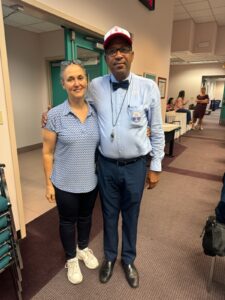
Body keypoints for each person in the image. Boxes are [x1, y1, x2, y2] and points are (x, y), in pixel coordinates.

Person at [42, 25, 165, 288]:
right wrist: (49, 114)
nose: (118, 55)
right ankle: (109, 257)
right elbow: (73, 105)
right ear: (106, 58)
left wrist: (156, 165)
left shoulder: (148, 88)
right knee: (108, 214)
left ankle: (128, 259)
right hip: (106, 166)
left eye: (123, 50)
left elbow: (156, 130)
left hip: (135, 166)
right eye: (111, 51)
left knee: (131, 214)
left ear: (132, 54)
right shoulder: (95, 86)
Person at [42, 60, 100, 285]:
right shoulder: (55, 115)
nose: (76, 83)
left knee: (86, 217)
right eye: (70, 79)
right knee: (68, 221)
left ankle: (83, 248)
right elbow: (47, 152)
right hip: (64, 181)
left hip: (90, 180)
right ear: (63, 84)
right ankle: (71, 258)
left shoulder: (96, 111)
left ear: (86, 80)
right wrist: (48, 184)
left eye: (80, 78)